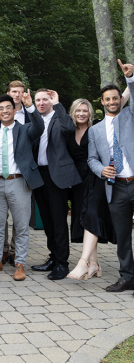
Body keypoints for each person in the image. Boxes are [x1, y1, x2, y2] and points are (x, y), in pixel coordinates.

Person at [0, 92, 44, 281]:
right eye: (0, 109)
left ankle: (20, 263)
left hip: (19, 182)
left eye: (8, 107)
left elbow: (39, 128)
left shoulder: (25, 130)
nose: (5, 111)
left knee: (22, 225)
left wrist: (30, 106)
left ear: (15, 110)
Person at [88, 60, 134, 292]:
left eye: (115, 98)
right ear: (103, 102)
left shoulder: (130, 116)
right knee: (123, 236)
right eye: (107, 99)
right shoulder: (95, 130)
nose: (112, 102)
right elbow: (91, 159)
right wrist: (101, 170)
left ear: (120, 99)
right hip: (115, 188)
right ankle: (127, 277)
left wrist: (130, 79)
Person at [31, 89, 82, 280]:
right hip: (40, 175)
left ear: (51, 100)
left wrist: (59, 103)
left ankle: (62, 264)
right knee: (47, 221)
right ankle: (53, 257)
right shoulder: (35, 120)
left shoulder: (60, 118)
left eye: (45, 99)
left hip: (57, 176)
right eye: (38, 100)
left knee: (59, 221)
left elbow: (70, 128)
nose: (42, 103)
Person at [66, 99, 116, 281]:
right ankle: (94, 264)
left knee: (92, 216)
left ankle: (83, 262)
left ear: (90, 113)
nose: (81, 114)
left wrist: (130, 80)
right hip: (78, 181)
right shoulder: (69, 131)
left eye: (85, 111)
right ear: (73, 112)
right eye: (78, 110)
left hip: (96, 177)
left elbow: (120, 101)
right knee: (84, 218)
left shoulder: (97, 128)